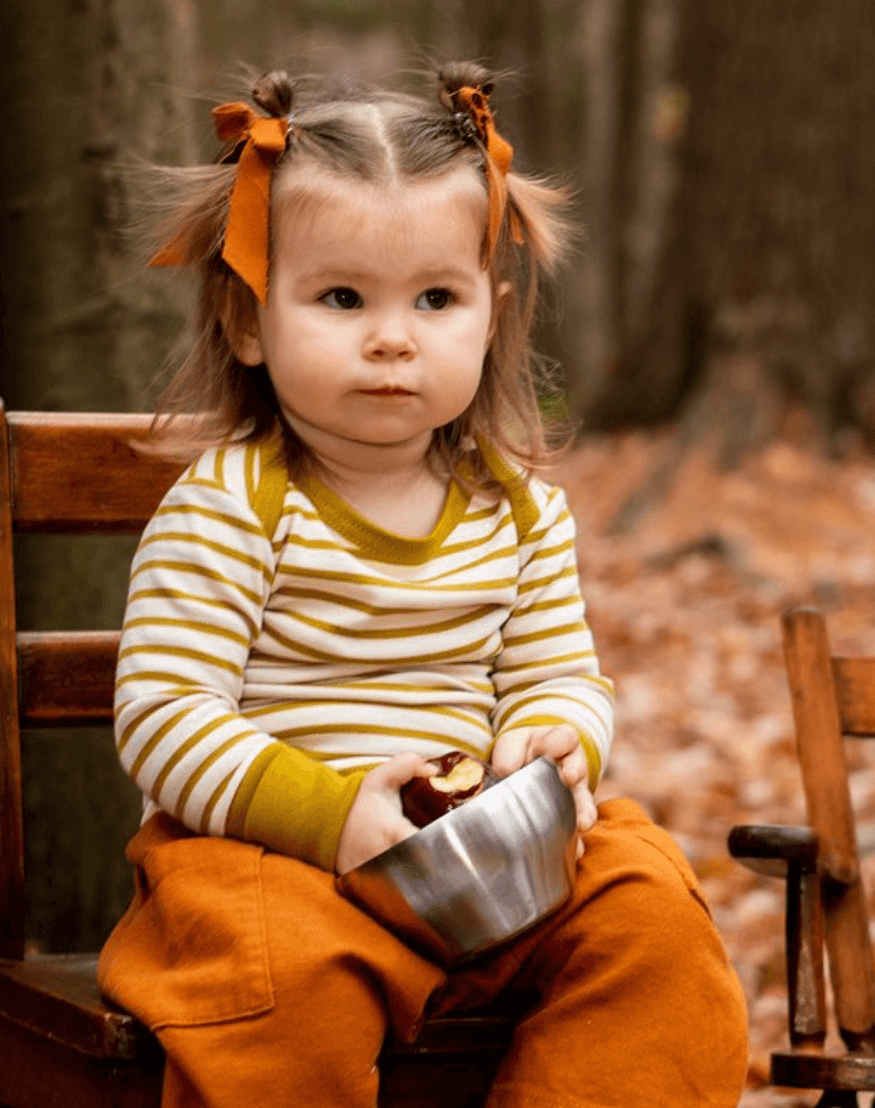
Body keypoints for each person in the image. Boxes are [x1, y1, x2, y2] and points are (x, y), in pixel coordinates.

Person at [97, 62, 748, 1108]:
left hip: (485, 859)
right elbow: (166, 717)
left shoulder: (518, 509)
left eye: (435, 298)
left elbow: (564, 677)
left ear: (488, 316)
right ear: (249, 322)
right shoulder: (233, 505)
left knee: (652, 914)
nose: (393, 336)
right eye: (343, 297)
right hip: (279, 858)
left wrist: (555, 740)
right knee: (274, 993)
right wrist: (329, 814)